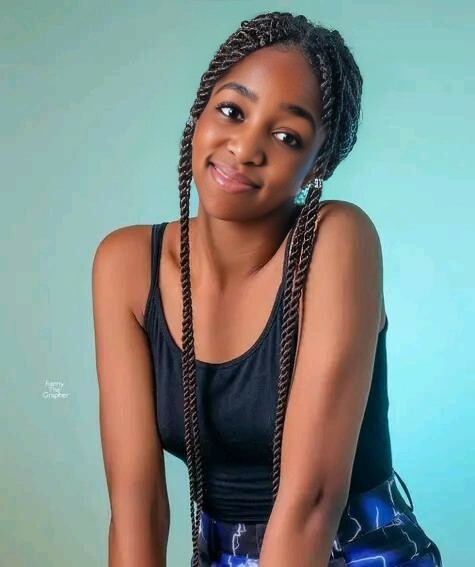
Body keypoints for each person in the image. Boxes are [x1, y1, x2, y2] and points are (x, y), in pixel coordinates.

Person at [92, 11, 443, 567]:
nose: (245, 148)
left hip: (356, 551)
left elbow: (311, 504)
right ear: (200, 113)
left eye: (286, 137)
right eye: (232, 111)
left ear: (318, 164)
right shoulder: (126, 265)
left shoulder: (336, 240)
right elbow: (137, 505)